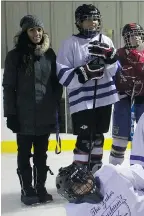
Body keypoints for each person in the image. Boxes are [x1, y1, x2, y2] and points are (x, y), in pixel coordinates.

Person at [2, 15, 63, 205]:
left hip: (44, 115)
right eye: (31, 30)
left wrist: (56, 110)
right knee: (23, 154)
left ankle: (41, 188)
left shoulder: (50, 54)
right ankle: (27, 190)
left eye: (39, 30)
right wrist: (10, 114)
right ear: (25, 33)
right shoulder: (15, 56)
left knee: (41, 155)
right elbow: (8, 87)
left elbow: (56, 86)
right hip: (23, 115)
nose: (36, 33)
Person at [56, 4, 119, 170]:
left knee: (98, 137)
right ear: (79, 22)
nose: (92, 23)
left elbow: (114, 72)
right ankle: (80, 170)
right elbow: (62, 74)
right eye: (88, 20)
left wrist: (111, 59)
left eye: (95, 19)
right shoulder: (69, 43)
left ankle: (95, 170)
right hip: (82, 101)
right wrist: (84, 73)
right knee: (85, 137)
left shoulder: (105, 40)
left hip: (104, 98)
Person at [109, 23, 144, 166]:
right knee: (119, 139)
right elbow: (112, 76)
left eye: (139, 35)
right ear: (125, 38)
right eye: (132, 36)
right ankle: (114, 170)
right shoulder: (119, 53)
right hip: (123, 99)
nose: (136, 38)